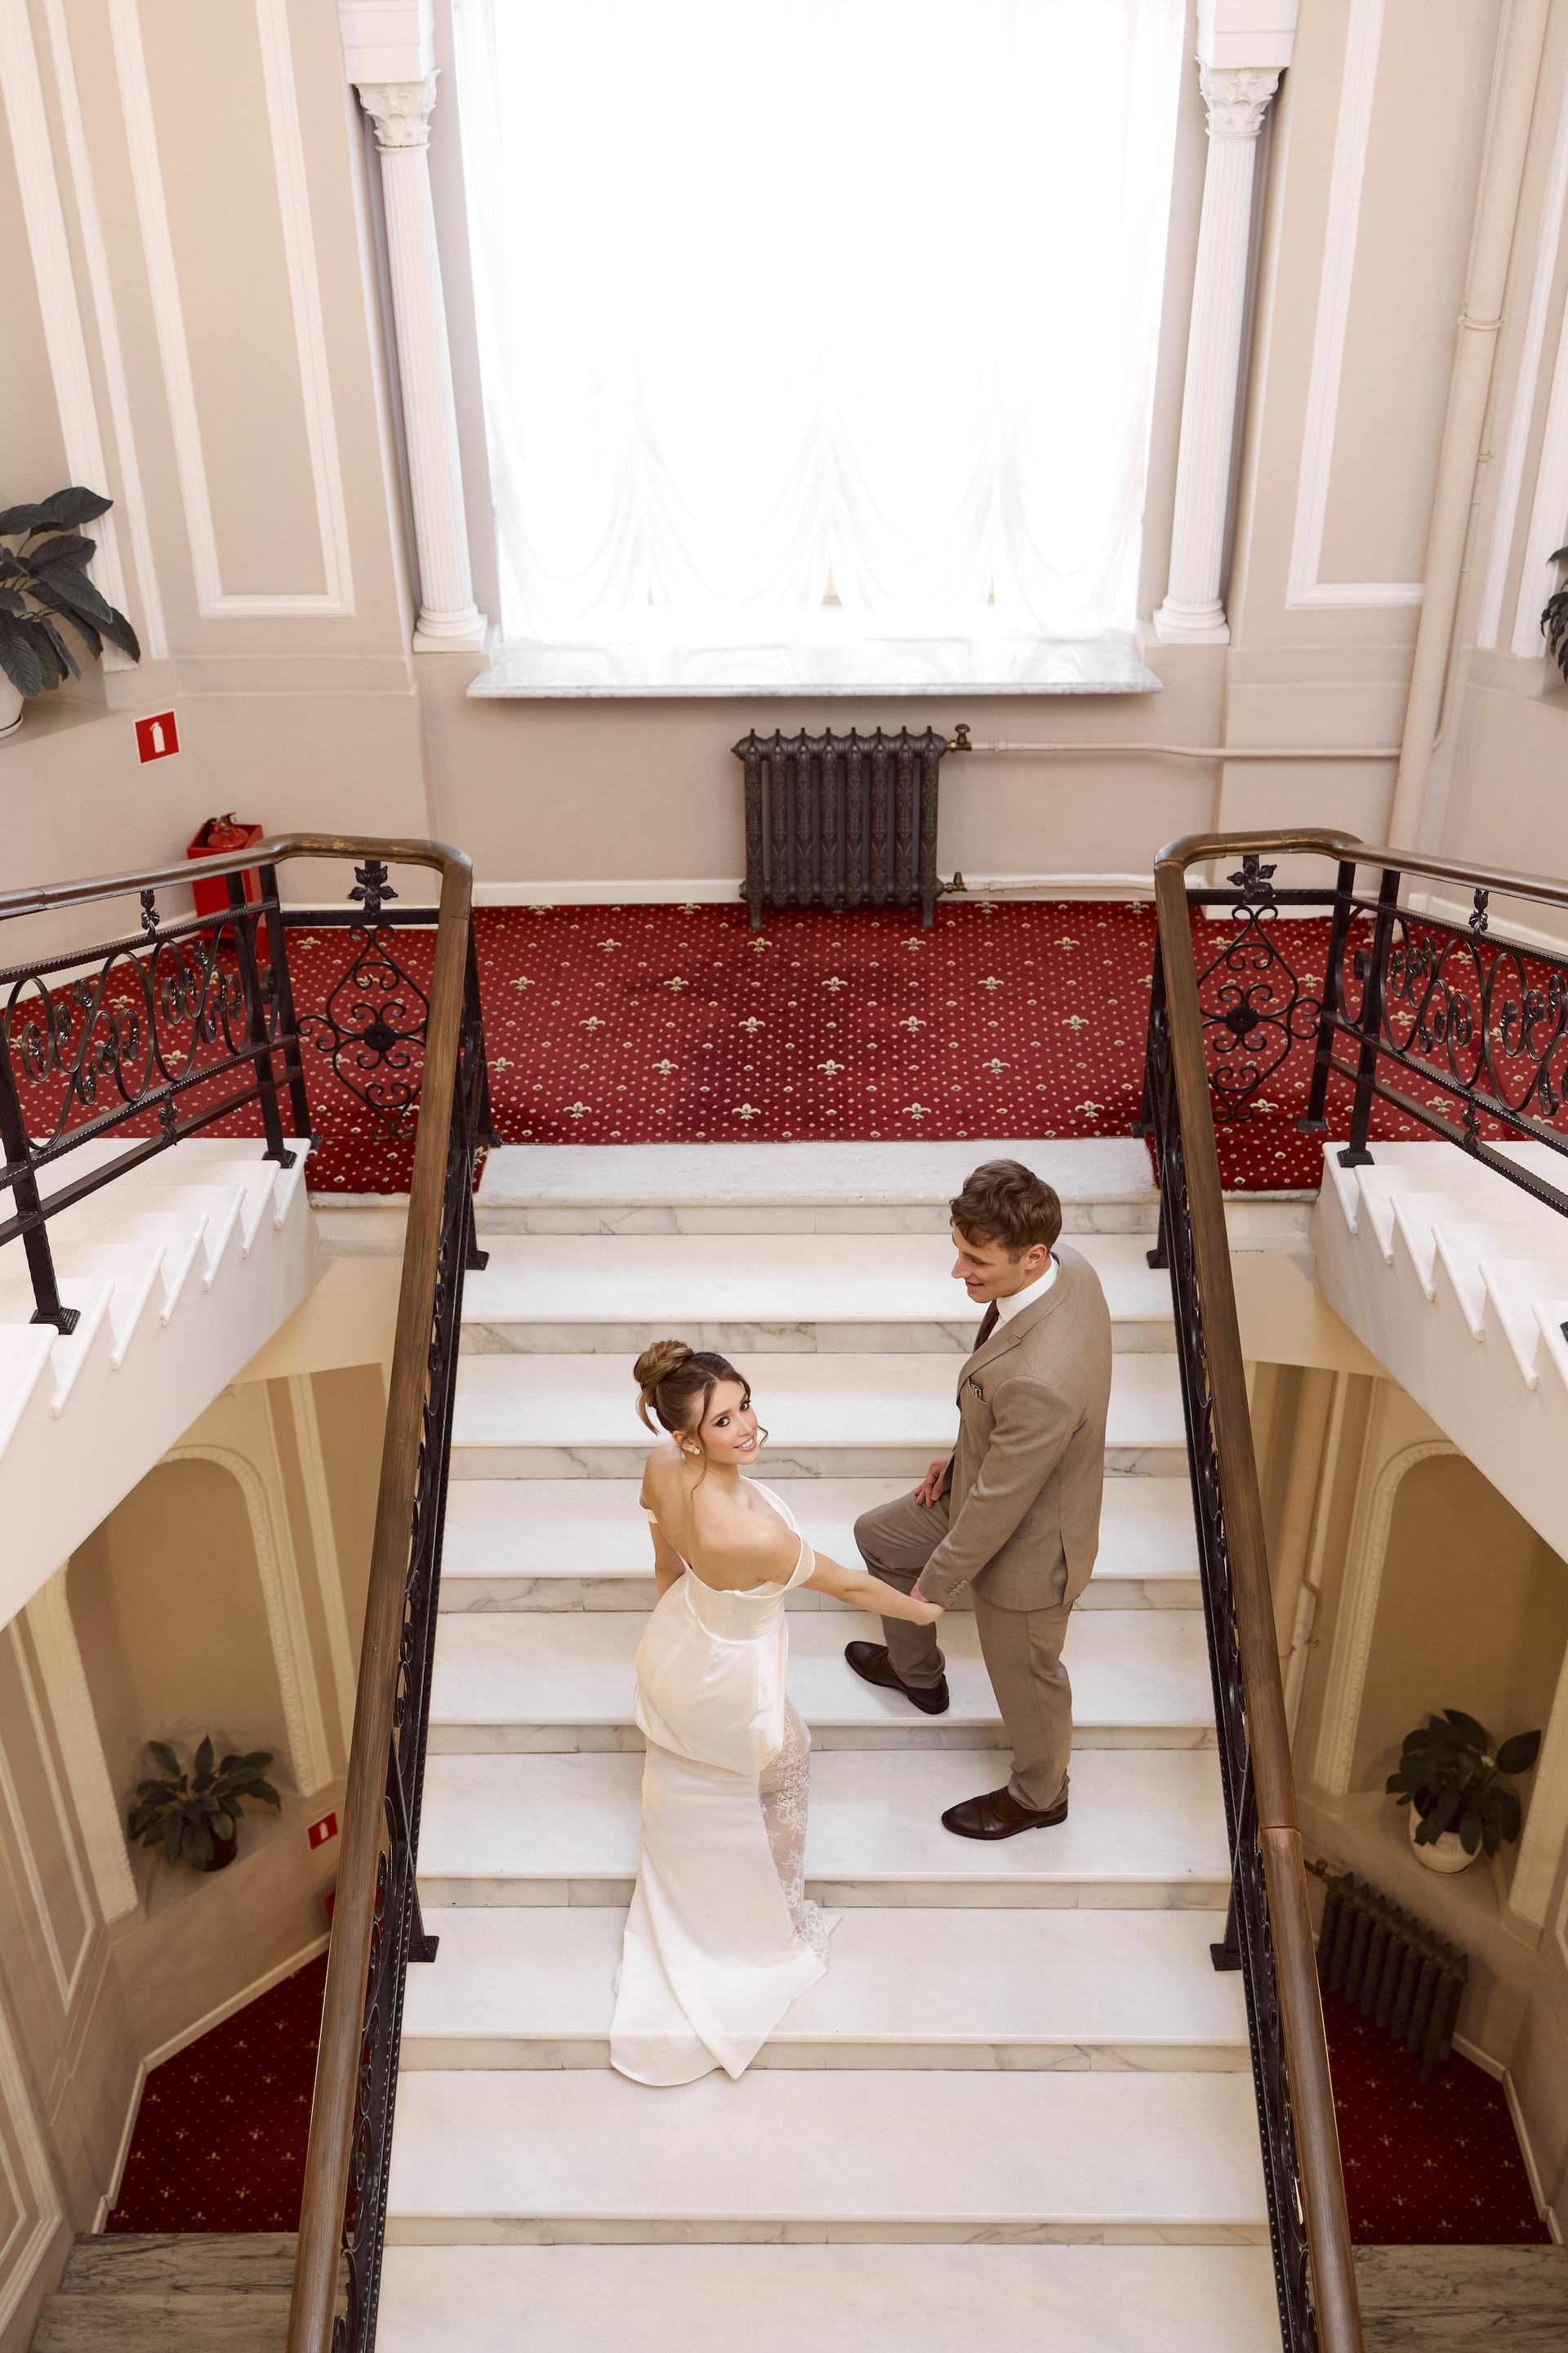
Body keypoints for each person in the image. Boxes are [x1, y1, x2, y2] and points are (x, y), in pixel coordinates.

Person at [609, 1339, 944, 2088]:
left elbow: (666, 1564)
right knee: (785, 1767)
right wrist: (922, 1612)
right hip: (737, 1669)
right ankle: (777, 1922)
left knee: (720, 1772)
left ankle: (728, 1884)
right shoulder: (752, 1534)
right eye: (723, 1421)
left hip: (685, 1636)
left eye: (746, 1403)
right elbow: (849, 1586)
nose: (748, 1427)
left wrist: (683, 1640)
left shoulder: (660, 1465)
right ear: (688, 1436)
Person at [849, 1158, 1112, 1839]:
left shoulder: (1042, 1379)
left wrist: (935, 1586)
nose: (957, 1270)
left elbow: (1000, 1499)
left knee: (1028, 1680)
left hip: (1031, 1547)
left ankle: (1040, 1795)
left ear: (1032, 1255)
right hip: (994, 1474)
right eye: (959, 1249)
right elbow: (1009, 1418)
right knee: (879, 1537)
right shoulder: (1072, 1269)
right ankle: (917, 1674)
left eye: (976, 1261)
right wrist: (964, 1450)